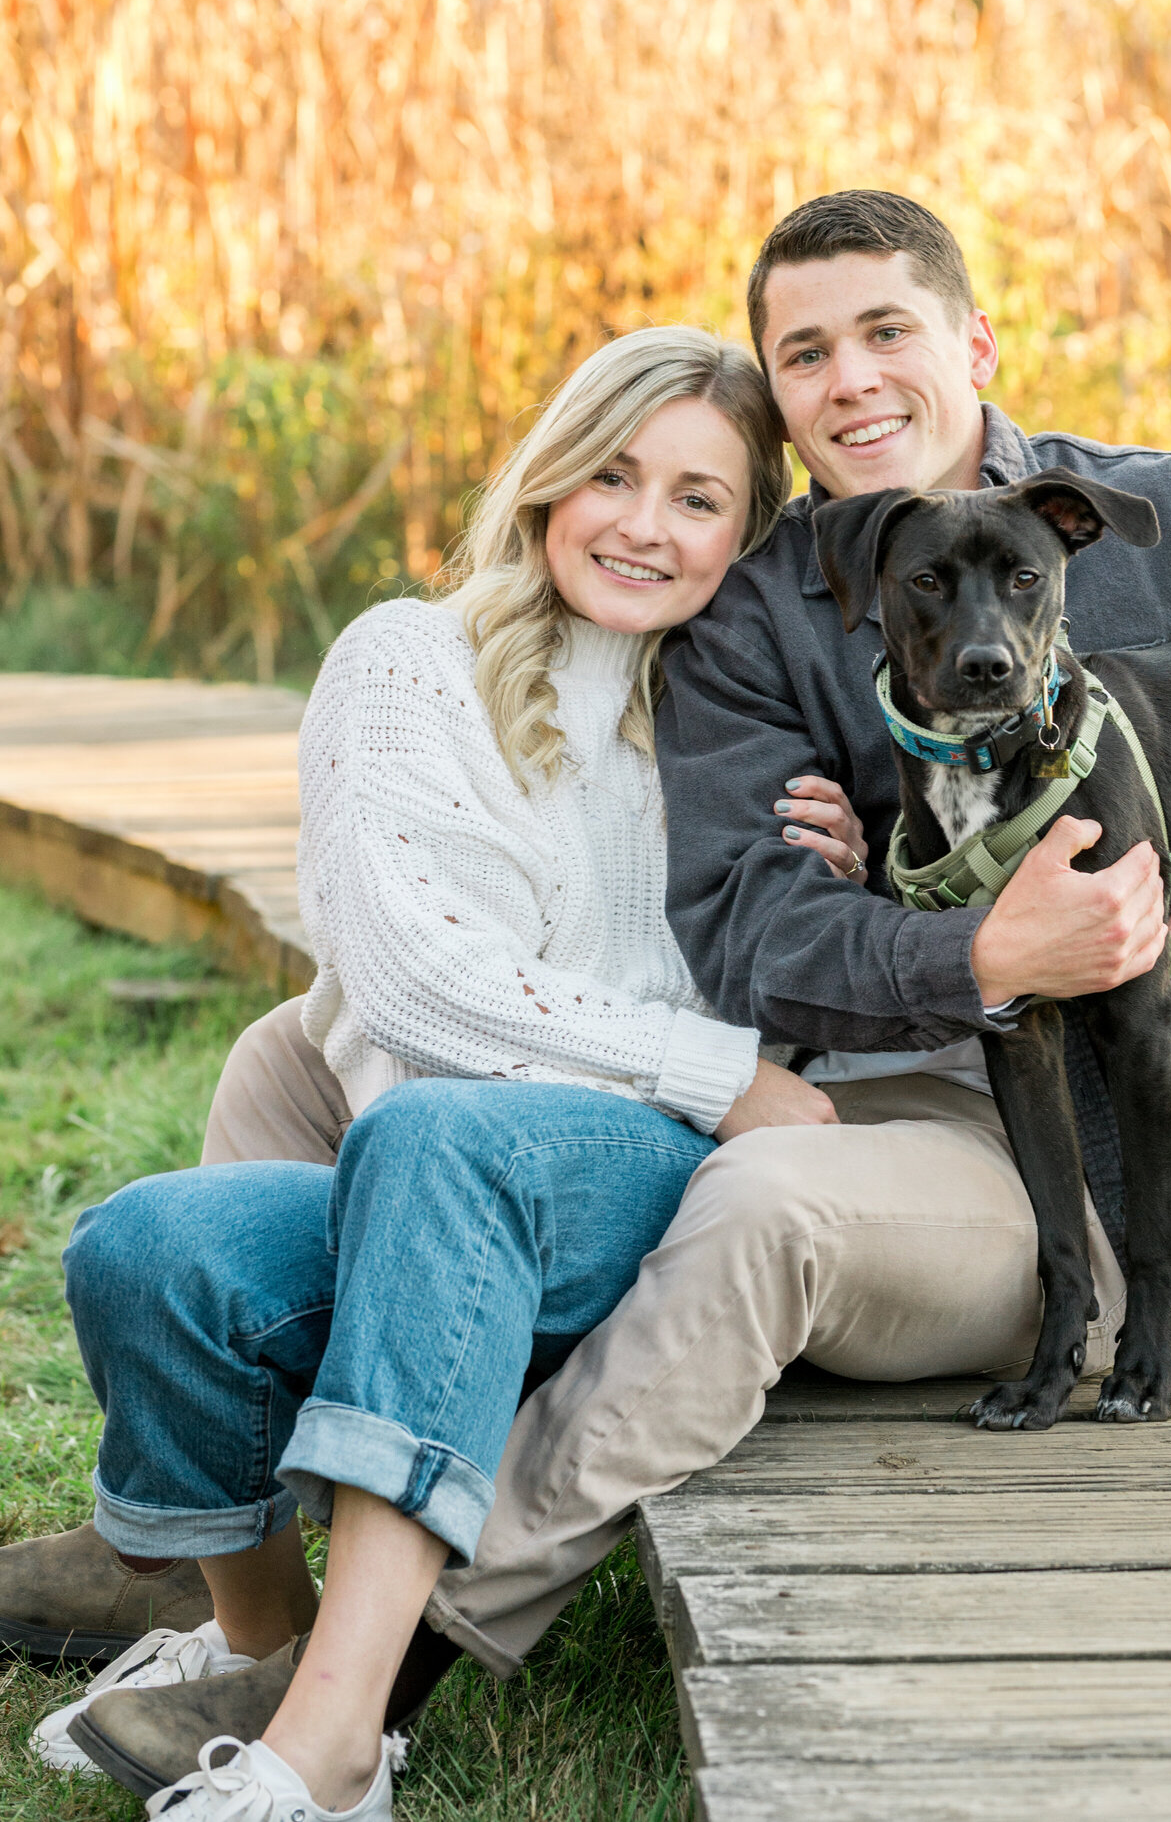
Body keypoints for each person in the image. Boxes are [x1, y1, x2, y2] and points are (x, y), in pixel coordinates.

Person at [12, 192, 1171, 1785]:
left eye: (887, 331)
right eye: (805, 353)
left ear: (972, 340)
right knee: (289, 1055)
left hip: (1089, 1153)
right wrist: (966, 949)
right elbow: (745, 931)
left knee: (753, 1195)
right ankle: (231, 1525)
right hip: (867, 1067)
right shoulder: (766, 606)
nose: (851, 380)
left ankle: (376, 1655)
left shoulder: (1154, 509)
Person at [16, 326, 863, 1820]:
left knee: (440, 1134)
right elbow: (418, 971)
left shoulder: (750, 726)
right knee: (147, 1245)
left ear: (748, 534)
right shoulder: (408, 658)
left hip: (635, 1178)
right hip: (453, 1156)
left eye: (697, 497)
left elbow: (806, 961)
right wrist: (714, 1066)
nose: (644, 525)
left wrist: (832, 883)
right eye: (613, 473)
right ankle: (258, 1651)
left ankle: (336, 1748)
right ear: (548, 479)